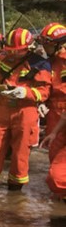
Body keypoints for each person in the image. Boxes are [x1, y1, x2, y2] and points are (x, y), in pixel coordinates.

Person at [0, 28, 51, 190]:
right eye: (11, 51)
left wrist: (25, 92)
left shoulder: (40, 63)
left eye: (17, 51)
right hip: (2, 107)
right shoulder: (2, 57)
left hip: (25, 110)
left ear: (28, 47)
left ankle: (15, 186)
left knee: (21, 149)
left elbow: (45, 92)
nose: (13, 54)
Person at [38, 22, 66, 165]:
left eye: (47, 44)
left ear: (58, 44)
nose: (44, 48)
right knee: (54, 151)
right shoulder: (48, 62)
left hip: (63, 110)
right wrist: (42, 102)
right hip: (54, 111)